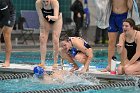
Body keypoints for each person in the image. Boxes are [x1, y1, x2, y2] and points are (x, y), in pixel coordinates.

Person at [103, 0, 134, 72]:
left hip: (124, 16)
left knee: (123, 42)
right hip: (112, 16)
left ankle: (123, 63)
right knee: (111, 42)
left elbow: (130, 7)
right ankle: (110, 65)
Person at [36, 0, 63, 68]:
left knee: (55, 39)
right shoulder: (38, 3)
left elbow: (56, 17)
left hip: (57, 19)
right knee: (42, 38)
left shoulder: (55, 2)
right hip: (45, 19)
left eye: (47, 1)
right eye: (43, 1)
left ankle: (55, 62)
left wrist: (50, 17)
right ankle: (42, 63)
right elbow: (41, 17)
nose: (45, 3)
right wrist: (42, 29)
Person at [0, 0, 16, 67]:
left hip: (9, 14)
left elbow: (7, 17)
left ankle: (7, 61)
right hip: (1, 13)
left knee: (6, 35)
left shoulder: (2, 2)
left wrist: (0, 27)